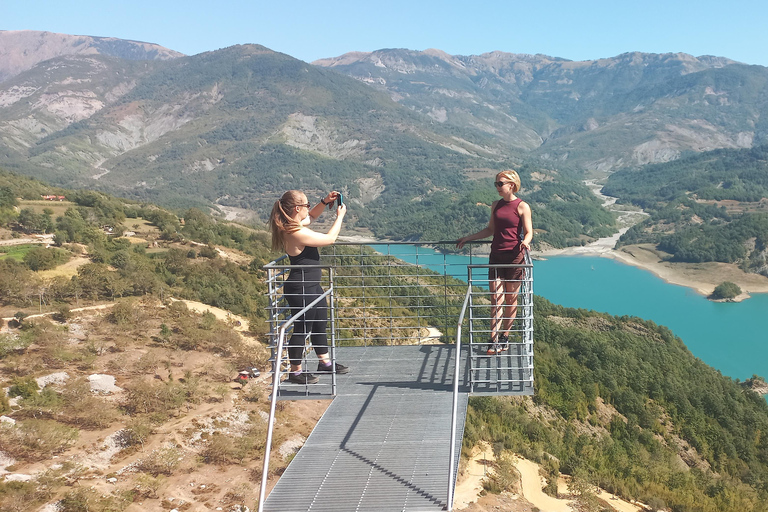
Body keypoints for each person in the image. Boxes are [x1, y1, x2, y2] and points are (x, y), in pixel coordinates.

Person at [269, 190, 349, 384]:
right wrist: (340, 217)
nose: (308, 208)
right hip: (301, 287)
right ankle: (295, 372)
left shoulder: (293, 225)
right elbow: (330, 239)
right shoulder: (294, 232)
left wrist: (324, 202)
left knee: (319, 322)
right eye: (306, 204)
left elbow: (311, 217)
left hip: (311, 285)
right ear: (297, 208)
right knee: (302, 328)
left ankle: (324, 362)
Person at [456, 170, 533, 355]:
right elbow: (490, 229)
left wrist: (525, 242)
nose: (497, 187)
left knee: (510, 300)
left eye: (500, 183)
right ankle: (493, 339)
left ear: (511, 185)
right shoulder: (495, 205)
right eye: (496, 184)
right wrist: (468, 238)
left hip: (515, 257)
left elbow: (529, 231)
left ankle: (504, 336)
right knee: (495, 299)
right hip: (496, 256)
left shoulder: (522, 206)